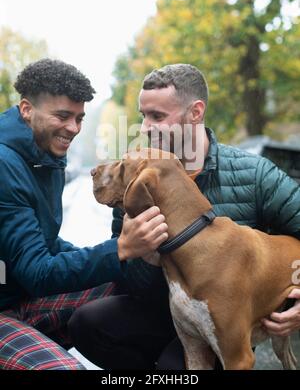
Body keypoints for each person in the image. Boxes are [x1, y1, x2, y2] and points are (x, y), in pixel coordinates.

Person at [69, 63, 300, 370]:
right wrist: (138, 251)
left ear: (196, 112)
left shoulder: (254, 174)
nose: (146, 128)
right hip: (162, 309)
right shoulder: (138, 176)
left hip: (225, 316)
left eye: (157, 116)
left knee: (174, 368)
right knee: (87, 322)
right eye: (143, 116)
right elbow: (127, 278)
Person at [0, 58, 168, 370]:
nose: (74, 129)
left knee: (123, 287)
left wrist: (119, 258)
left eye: (79, 118)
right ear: (26, 109)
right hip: (7, 308)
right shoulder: (5, 164)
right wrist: (120, 249)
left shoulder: (45, 156)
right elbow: (37, 271)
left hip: (18, 298)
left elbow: (43, 243)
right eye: (63, 116)